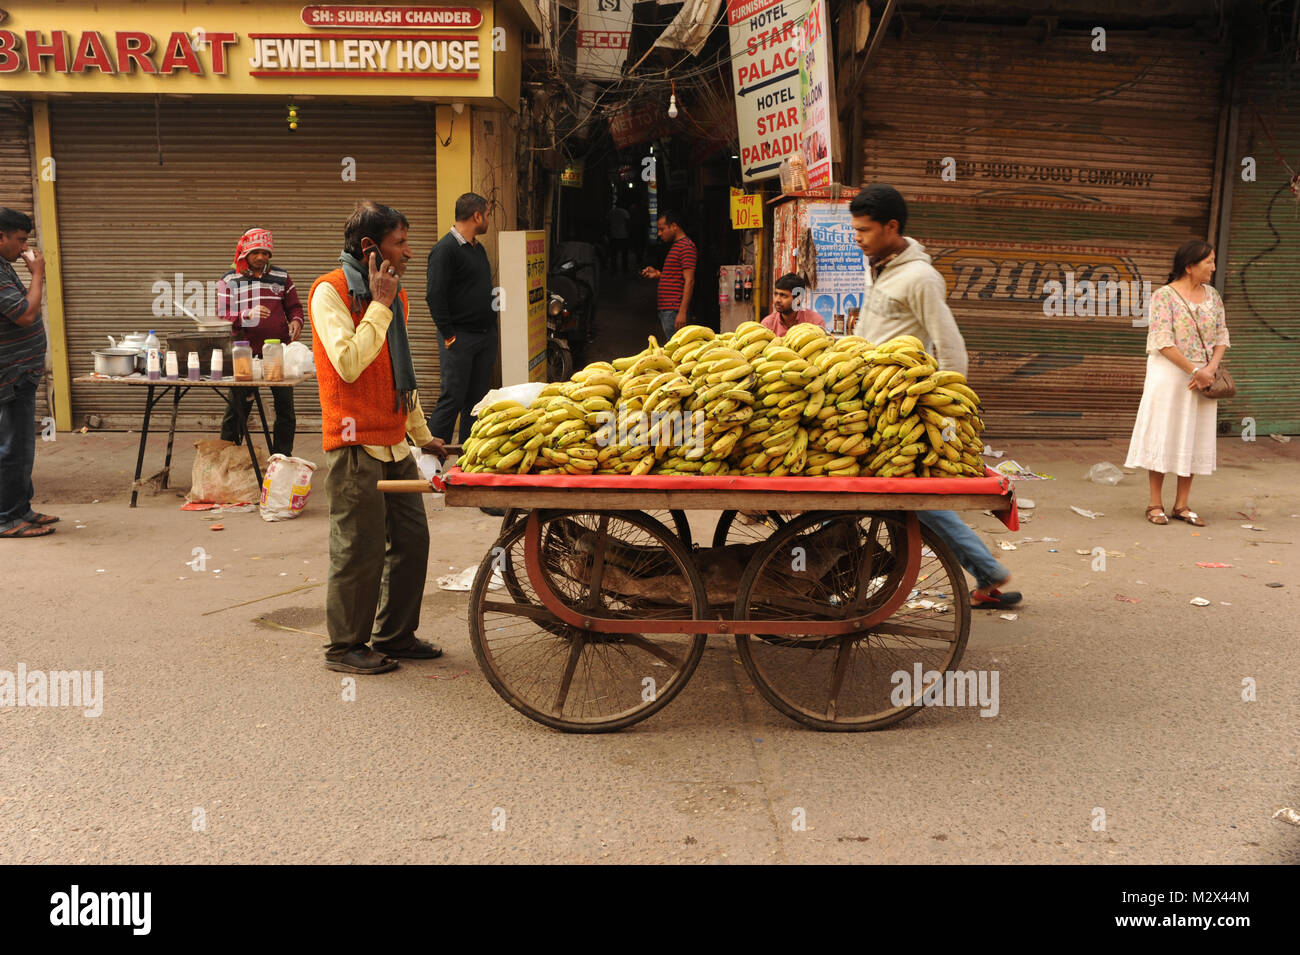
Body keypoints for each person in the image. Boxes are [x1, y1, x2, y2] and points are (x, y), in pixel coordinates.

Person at [849, 184, 1020, 610]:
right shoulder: (883, 267)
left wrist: (948, 412)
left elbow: (951, 345)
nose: (858, 237)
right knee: (907, 495)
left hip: (897, 405)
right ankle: (986, 572)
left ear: (892, 227)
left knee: (908, 494)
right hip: (865, 398)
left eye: (865, 230)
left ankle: (985, 569)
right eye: (855, 229)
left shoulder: (921, 277)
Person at [310, 201, 447, 674]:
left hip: (393, 440)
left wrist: (424, 436)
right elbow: (349, 363)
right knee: (358, 548)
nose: (409, 253)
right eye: (400, 243)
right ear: (371, 248)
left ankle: (395, 634)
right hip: (353, 444)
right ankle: (344, 646)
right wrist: (379, 306)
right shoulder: (328, 293)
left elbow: (398, 375)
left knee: (412, 540)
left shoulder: (396, 298)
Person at [1125, 240, 1227, 526]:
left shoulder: (1213, 296)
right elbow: (1162, 342)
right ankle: (1154, 503)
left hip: (1202, 376)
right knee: (1165, 433)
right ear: (1189, 266)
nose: (1214, 267)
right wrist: (1195, 370)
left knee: (1193, 435)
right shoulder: (1163, 297)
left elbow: (1222, 336)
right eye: (1209, 262)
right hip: (1170, 374)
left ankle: (1182, 505)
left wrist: (1209, 370)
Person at [215, 228, 304, 456]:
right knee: (238, 409)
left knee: (285, 409)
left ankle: (282, 458)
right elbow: (222, 313)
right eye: (256, 252)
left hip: (277, 353)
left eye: (265, 253)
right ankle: (227, 456)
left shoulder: (282, 278)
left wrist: (296, 321)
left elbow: (294, 307)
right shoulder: (229, 279)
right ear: (245, 253)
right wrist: (246, 314)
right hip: (244, 354)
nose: (261, 257)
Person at [0, 208, 57, 539]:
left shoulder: (5, 265)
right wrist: (37, 273)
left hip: (23, 371)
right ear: (1, 236)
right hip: (10, 374)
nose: (25, 248)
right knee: (11, 446)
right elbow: (25, 313)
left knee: (22, 445)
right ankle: (7, 517)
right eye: (20, 240)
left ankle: (22, 509)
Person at [425, 192, 496, 443]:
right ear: (476, 215)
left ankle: (468, 458)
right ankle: (429, 461)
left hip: (484, 337)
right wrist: (449, 335)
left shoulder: (477, 248)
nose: (488, 219)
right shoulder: (445, 250)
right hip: (460, 339)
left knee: (476, 402)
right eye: (487, 214)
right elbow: (434, 296)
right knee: (453, 397)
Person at [640, 210, 696, 341]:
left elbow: (690, 280)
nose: (659, 234)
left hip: (674, 310)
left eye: (662, 229)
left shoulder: (686, 247)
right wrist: (658, 274)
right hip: (669, 310)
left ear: (674, 226)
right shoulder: (677, 246)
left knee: (676, 351)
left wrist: (682, 312)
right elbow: (677, 276)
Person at [762, 272, 826, 336]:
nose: (777, 300)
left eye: (783, 295)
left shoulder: (815, 322)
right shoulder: (768, 324)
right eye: (776, 294)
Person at [607, 202, 631, 273]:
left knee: (613, 254)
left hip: (613, 235)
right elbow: (628, 223)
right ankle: (625, 268)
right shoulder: (624, 212)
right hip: (623, 235)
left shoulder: (611, 212)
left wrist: (608, 233)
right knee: (624, 254)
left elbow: (608, 223)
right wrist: (628, 233)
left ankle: (614, 269)